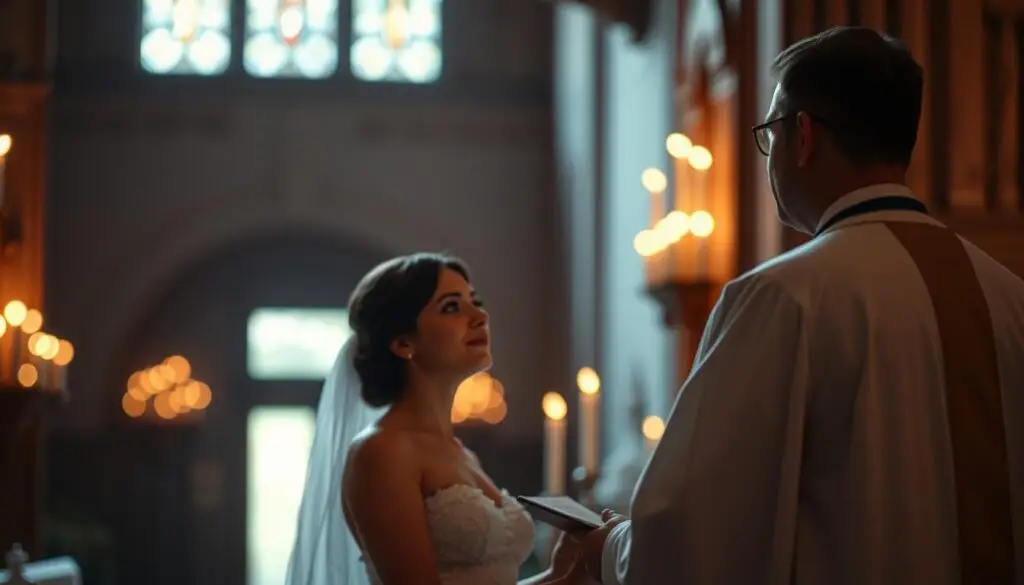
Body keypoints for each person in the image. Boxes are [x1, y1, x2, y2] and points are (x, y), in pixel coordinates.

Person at [580, 26, 1024, 585]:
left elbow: (695, 532)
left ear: (803, 136)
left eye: (770, 132)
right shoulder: (1008, 297)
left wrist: (606, 548)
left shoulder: (782, 298)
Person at [285, 253, 587, 585]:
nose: (479, 315)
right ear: (403, 343)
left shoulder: (461, 453)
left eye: (476, 301)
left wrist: (561, 577)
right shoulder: (382, 451)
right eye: (451, 307)